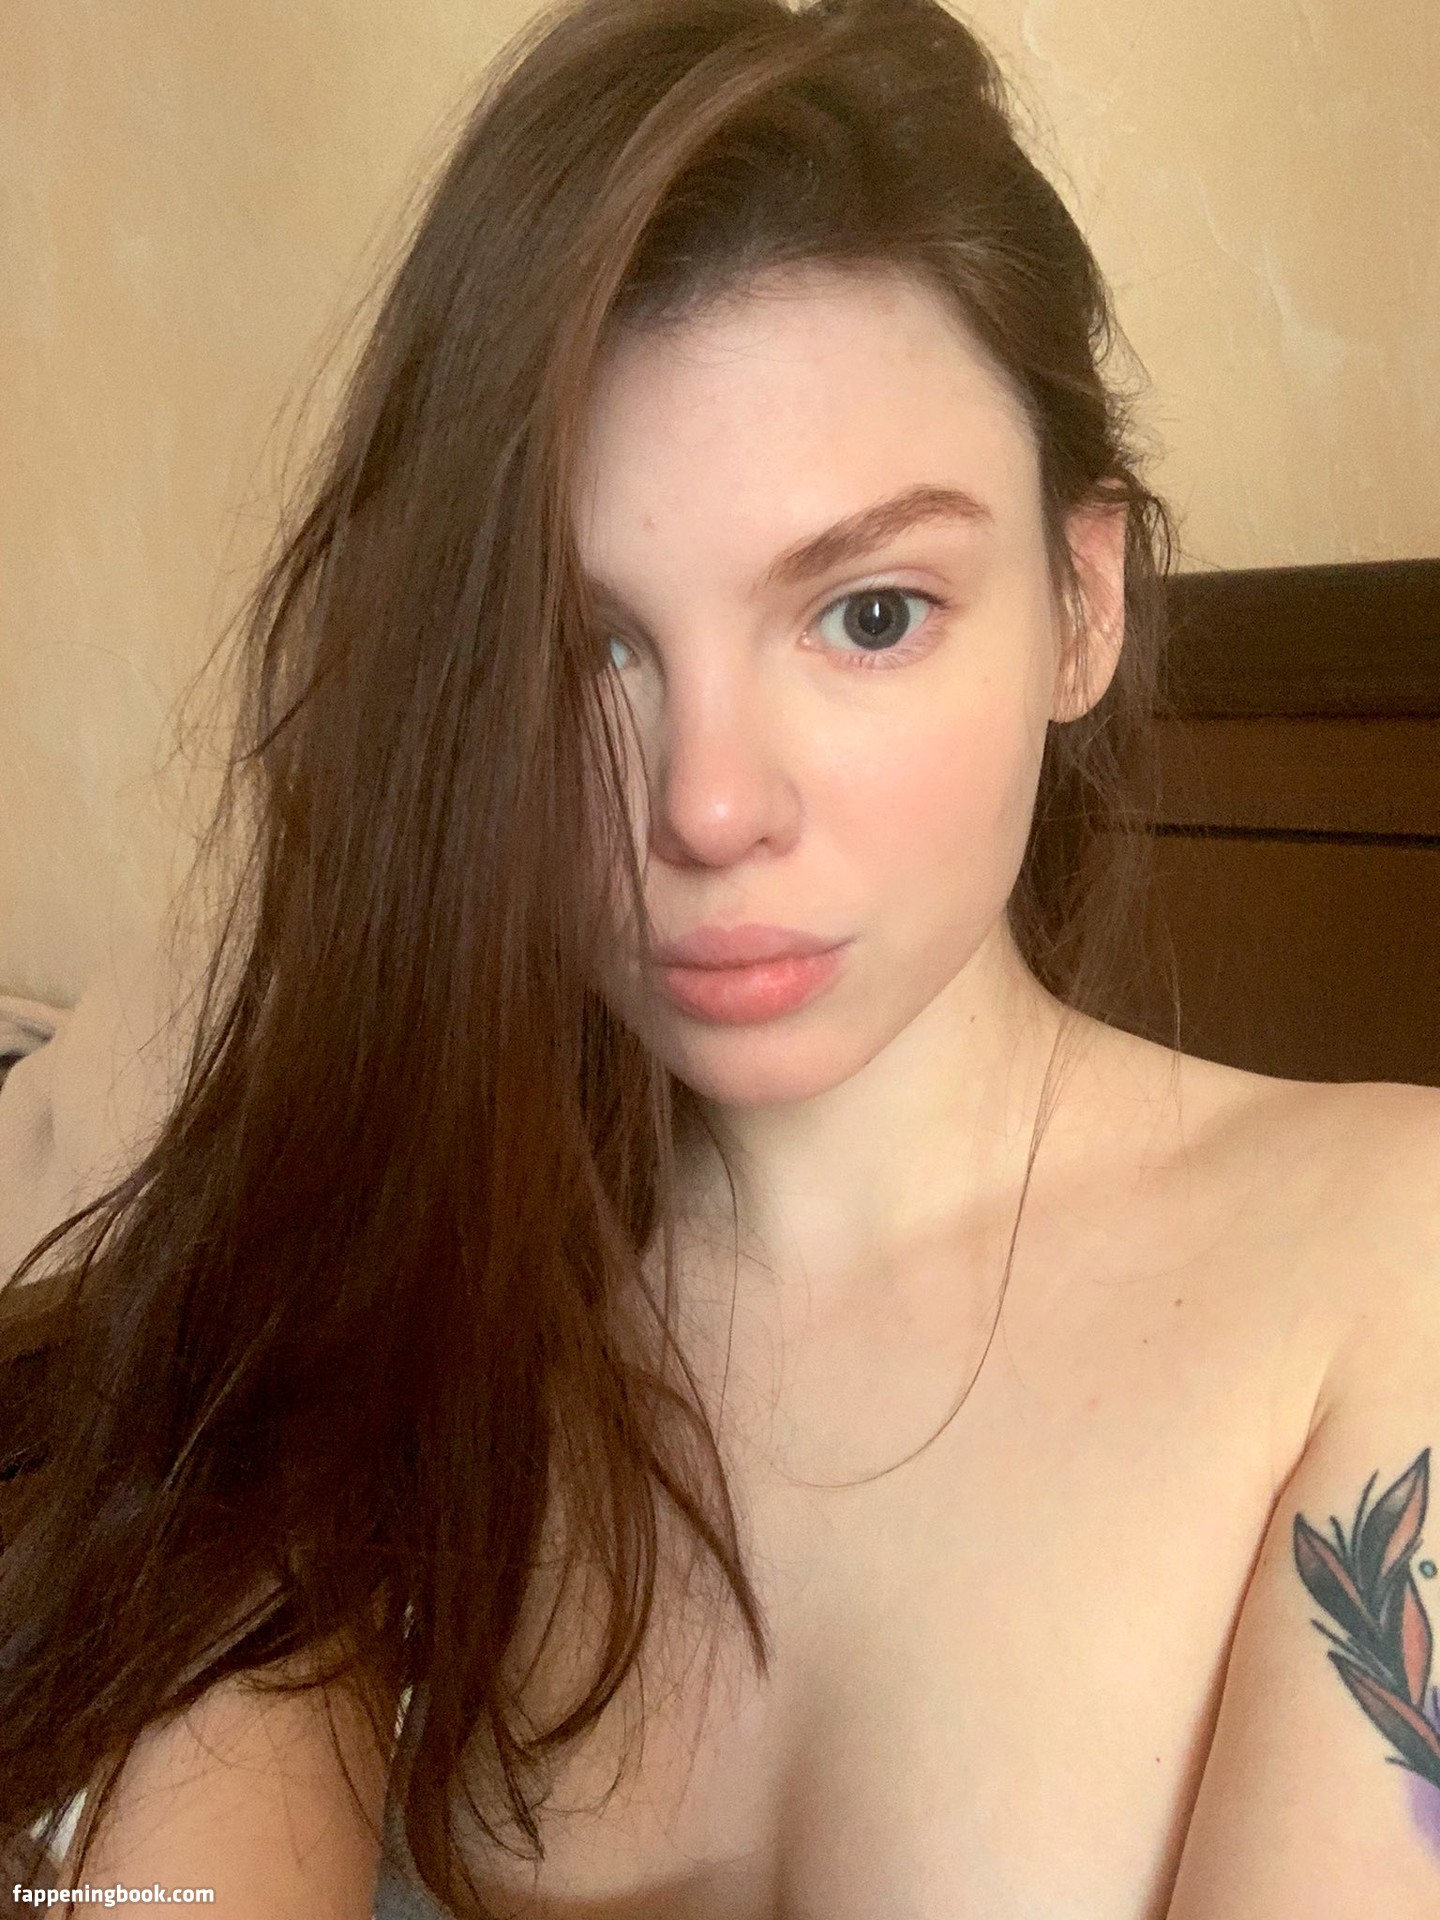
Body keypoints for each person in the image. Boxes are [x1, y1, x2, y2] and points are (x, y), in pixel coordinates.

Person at [1, 0, 1437, 1913]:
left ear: (1084, 603)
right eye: (584, 645)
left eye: (869, 613)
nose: (707, 804)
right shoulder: (411, 1289)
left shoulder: (1386, 1258)